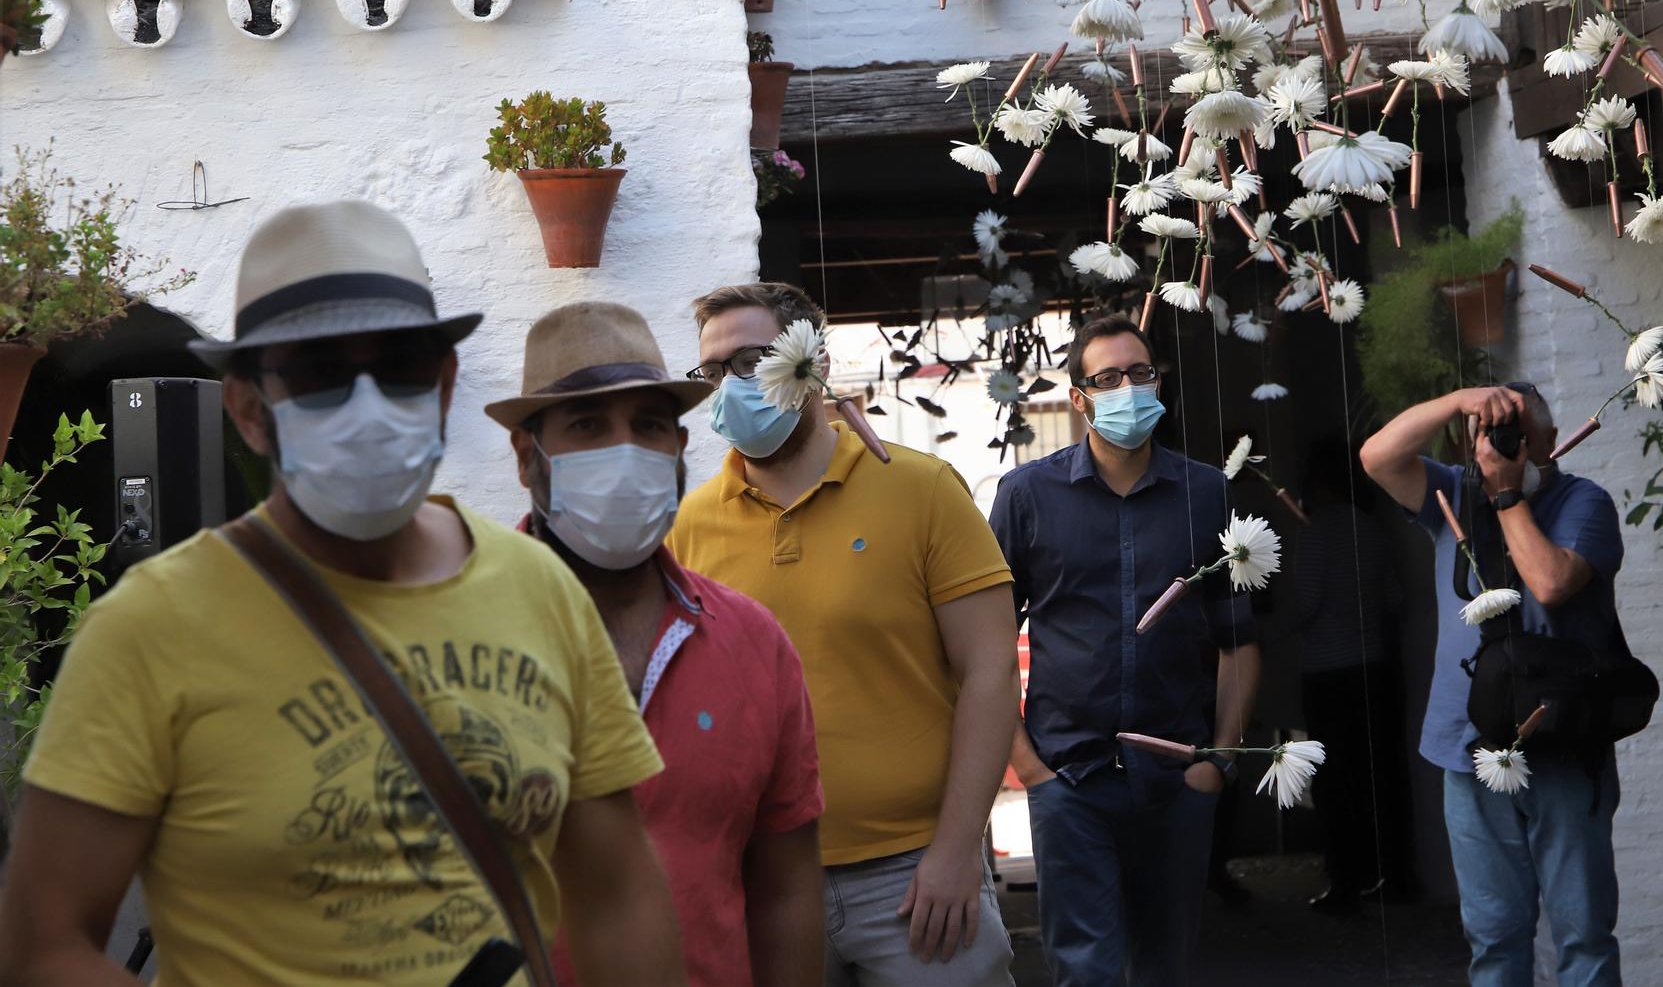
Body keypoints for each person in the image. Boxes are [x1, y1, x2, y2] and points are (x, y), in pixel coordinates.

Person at [0, 200, 684, 987]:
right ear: (250, 409)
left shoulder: (541, 593)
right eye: (321, 372)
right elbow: (45, 943)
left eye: (400, 366)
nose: (367, 404)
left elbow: (619, 893)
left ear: (446, 383)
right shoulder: (146, 630)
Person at [669, 282, 1020, 987]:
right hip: (763, 880)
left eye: (753, 359)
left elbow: (990, 671)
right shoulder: (691, 523)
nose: (731, 384)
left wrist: (955, 853)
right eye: (714, 370)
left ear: (814, 363)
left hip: (916, 878)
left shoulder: (923, 489)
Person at [487, 300, 826, 987]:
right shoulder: (460, 638)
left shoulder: (753, 644)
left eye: (649, 425)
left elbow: (785, 890)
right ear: (528, 457)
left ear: (678, 448)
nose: (627, 450)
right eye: (588, 424)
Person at [989, 313, 1261, 987]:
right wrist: (1030, 767)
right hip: (1071, 780)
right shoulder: (1026, 496)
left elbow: (1238, 639)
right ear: (1078, 397)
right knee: (1088, 971)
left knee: (1166, 965)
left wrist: (1218, 761)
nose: (1128, 389)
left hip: (1177, 779)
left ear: (1159, 382)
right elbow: (985, 644)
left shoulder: (1206, 493)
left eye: (1140, 374)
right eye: (1107, 378)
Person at [1359, 382, 1628, 987]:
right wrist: (1459, 402)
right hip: (1469, 747)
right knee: (1494, 937)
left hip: (1564, 744)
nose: (1506, 449)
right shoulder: (1453, 495)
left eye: (1519, 437)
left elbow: (1551, 582)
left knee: (1583, 935)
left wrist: (1508, 494)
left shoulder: (1585, 502)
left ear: (1552, 444)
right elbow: (1377, 457)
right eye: (1493, 436)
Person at [1267, 441, 1416, 913]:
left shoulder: (1314, 533)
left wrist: (1260, 635)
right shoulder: (1372, 528)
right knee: (1379, 774)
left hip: (1328, 673)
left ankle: (1345, 881)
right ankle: (1393, 875)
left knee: (1333, 782)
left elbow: (1307, 604)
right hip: (1373, 666)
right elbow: (1393, 598)